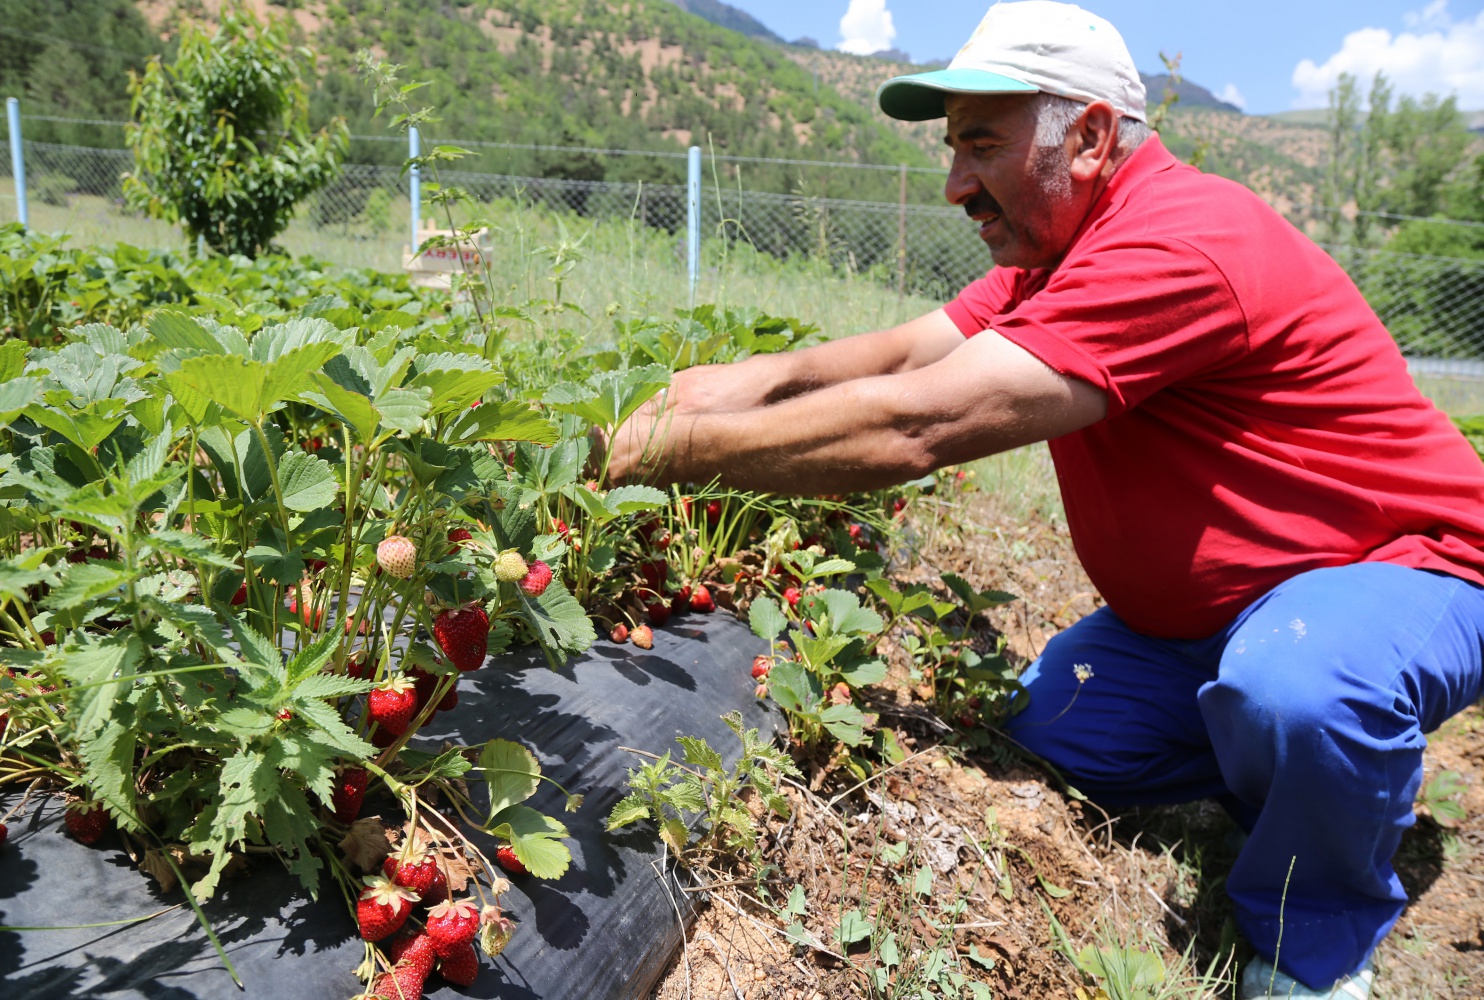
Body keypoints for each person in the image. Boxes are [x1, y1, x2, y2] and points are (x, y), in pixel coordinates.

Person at [605, 3, 1484, 997]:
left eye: (982, 145)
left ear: (1093, 137)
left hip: (1410, 569)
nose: (955, 185)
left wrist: (668, 454)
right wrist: (703, 392)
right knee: (1050, 733)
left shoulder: (1177, 244)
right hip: (1210, 624)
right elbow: (895, 357)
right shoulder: (1056, 259)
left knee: (1301, 692)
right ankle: (1314, 770)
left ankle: (1313, 942)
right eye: (953, 149)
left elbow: (914, 427)